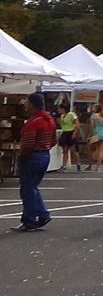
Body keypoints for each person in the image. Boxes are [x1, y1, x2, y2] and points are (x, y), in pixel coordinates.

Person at [13, 93, 56, 232]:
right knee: (32, 187)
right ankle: (41, 215)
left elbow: (28, 143)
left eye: (26, 102)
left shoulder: (34, 122)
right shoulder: (49, 120)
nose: (24, 104)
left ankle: (30, 220)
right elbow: (54, 140)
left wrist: (22, 155)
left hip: (33, 156)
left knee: (27, 189)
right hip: (44, 154)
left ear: (32, 104)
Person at [56, 102, 78, 171]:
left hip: (70, 131)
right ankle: (64, 165)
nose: (58, 110)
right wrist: (58, 121)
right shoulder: (62, 116)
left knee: (73, 149)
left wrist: (74, 132)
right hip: (65, 132)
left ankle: (78, 163)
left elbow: (76, 123)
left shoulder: (71, 114)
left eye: (59, 109)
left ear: (63, 109)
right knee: (65, 150)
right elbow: (62, 125)